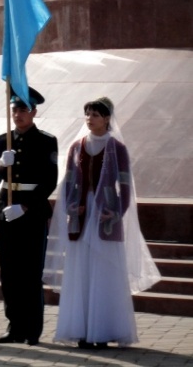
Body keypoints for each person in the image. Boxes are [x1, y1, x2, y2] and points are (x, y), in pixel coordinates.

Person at [44, 97, 160, 349]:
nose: (90, 118)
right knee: (81, 274)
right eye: (87, 114)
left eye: (95, 114)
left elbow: (126, 187)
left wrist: (115, 212)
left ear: (107, 118)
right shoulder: (77, 146)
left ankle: (104, 330)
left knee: (104, 275)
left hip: (105, 221)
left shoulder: (117, 148)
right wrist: (72, 206)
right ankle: (83, 331)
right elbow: (68, 182)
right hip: (81, 220)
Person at [0, 86, 58, 346]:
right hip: (6, 212)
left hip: (32, 213)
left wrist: (25, 207)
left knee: (30, 272)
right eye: (14, 110)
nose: (18, 114)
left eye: (23, 110)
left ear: (34, 112)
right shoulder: (0, 141)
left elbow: (49, 181)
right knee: (10, 273)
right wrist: (0, 165)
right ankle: (14, 326)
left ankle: (32, 329)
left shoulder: (46, 141)